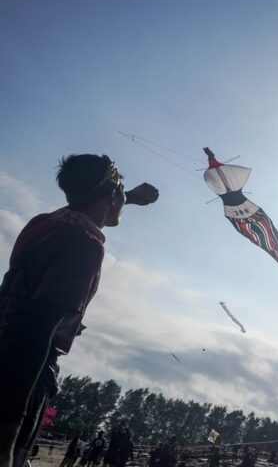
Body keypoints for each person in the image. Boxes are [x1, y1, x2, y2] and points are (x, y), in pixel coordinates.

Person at [0, 154, 159, 467]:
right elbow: (36, 332)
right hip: (21, 377)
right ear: (111, 195)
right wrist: (7, 431)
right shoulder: (84, 245)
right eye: (121, 192)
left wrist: (129, 198)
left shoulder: (43, 224)